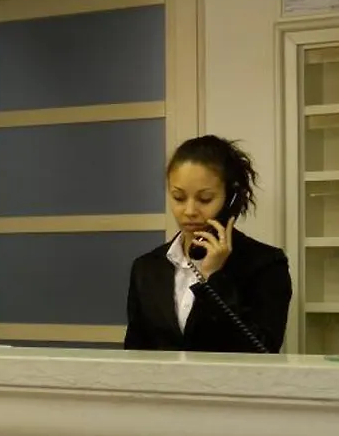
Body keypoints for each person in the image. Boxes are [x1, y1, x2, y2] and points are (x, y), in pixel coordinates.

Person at [124, 135, 292, 353]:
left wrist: (214, 278)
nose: (189, 211)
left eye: (205, 199)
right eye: (178, 197)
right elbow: (135, 353)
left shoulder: (266, 264)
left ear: (231, 200)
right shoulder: (146, 268)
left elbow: (263, 350)